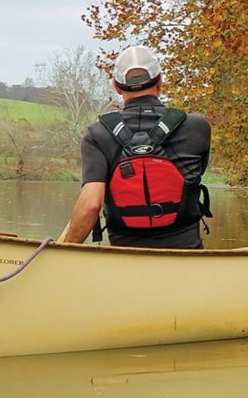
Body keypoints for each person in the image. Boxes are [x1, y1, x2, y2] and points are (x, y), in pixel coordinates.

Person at [60, 45, 212, 248]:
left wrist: (66, 251)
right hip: (187, 255)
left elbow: (91, 204)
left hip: (124, 257)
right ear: (160, 81)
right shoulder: (197, 127)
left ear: (116, 87)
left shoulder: (98, 134)